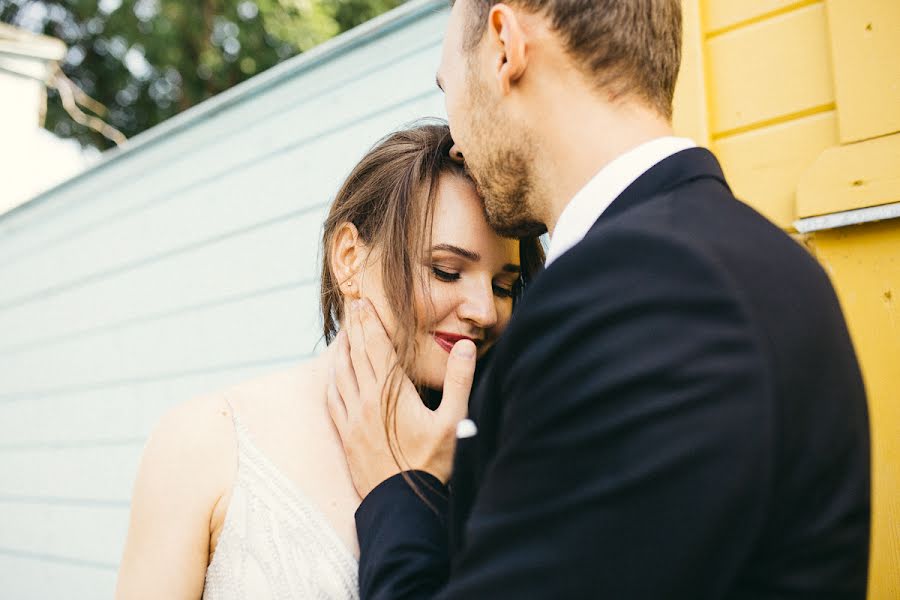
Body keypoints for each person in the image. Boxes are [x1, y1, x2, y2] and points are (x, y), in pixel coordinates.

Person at [327, 1, 872, 598]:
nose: (456, 145)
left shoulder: (646, 297)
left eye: (447, 87)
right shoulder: (748, 261)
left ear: (504, 47)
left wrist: (399, 489)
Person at [113, 122, 544, 599]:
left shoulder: (519, 459)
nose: (484, 311)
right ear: (349, 258)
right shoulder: (206, 440)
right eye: (445, 271)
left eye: (505, 286)